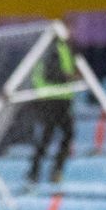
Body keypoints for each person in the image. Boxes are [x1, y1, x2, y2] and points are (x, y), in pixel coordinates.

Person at [26, 39, 76, 184]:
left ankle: (42, 171)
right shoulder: (56, 47)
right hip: (56, 99)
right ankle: (46, 171)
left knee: (53, 135)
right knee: (57, 135)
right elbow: (66, 73)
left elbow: (37, 75)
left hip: (55, 99)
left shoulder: (51, 48)